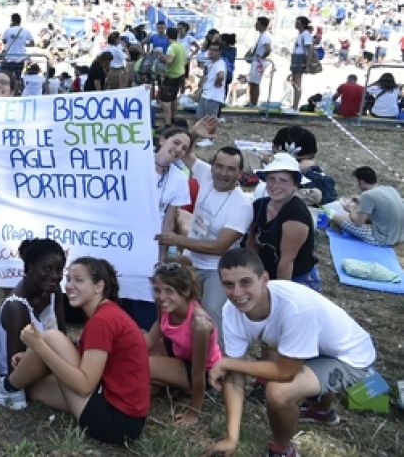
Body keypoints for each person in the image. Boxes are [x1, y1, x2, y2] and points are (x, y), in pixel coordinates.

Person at [203, 249, 376, 457]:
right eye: (228, 284)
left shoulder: (295, 307)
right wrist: (232, 438)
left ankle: (283, 449)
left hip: (350, 356)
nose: (237, 293)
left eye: (245, 282)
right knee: (288, 360)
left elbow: (284, 372)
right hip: (319, 347)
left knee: (279, 392)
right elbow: (234, 377)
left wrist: (229, 363)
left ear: (264, 279)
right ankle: (321, 411)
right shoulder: (231, 311)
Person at [0, 258, 150, 446]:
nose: (69, 286)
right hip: (126, 417)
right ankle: (14, 390)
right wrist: (33, 356)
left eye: (78, 280)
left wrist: (40, 347)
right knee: (32, 387)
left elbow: (84, 385)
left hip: (115, 422)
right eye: (68, 279)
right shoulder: (107, 312)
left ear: (98, 286)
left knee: (51, 337)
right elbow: (88, 358)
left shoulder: (102, 321)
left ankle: (6, 388)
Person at [156, 146, 253, 331]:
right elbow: (181, 150)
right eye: (219, 166)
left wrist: (177, 240)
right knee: (168, 297)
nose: (223, 173)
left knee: (211, 309)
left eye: (231, 169)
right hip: (191, 260)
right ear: (212, 165)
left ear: (240, 173)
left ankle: (219, 356)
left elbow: (219, 247)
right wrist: (194, 133)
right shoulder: (207, 174)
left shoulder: (242, 205)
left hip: (217, 268)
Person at [145, 256, 221, 428]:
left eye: (169, 291)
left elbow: (198, 371)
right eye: (157, 290)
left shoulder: (199, 324)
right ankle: (165, 384)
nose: (161, 297)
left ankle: (175, 386)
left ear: (186, 291)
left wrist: (194, 412)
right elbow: (149, 339)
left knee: (145, 365)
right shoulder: (164, 307)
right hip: (178, 353)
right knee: (136, 347)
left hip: (201, 372)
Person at [0, 239, 68, 379]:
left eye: (59, 270)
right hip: (19, 378)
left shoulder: (54, 290)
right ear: (31, 266)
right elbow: (15, 372)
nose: (55, 276)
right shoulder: (16, 308)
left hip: (47, 364)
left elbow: (63, 336)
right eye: (47, 268)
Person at [247, 154, 320, 290]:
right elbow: (251, 243)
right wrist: (255, 274)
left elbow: (287, 262)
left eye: (283, 180)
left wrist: (279, 294)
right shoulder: (259, 205)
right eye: (271, 179)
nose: (276, 186)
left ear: (294, 184)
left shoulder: (296, 216)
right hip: (265, 272)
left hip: (294, 278)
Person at [331, 166, 404, 246]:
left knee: (337, 217)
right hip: (399, 235)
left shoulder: (367, 195)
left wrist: (351, 210)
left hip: (383, 238)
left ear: (361, 182)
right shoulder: (390, 189)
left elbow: (358, 222)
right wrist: (361, 202)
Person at [153, 128, 194, 260]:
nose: (178, 149)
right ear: (162, 140)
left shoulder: (180, 178)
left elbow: (169, 220)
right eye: (176, 142)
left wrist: (161, 257)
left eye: (184, 148)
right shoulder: (138, 163)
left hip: (153, 235)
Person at [196, 41, 228, 119]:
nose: (211, 52)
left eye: (214, 50)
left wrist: (218, 82)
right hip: (205, 95)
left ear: (220, 52)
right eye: (210, 49)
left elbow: (221, 75)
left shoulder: (220, 63)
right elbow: (204, 73)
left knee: (209, 122)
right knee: (200, 119)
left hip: (213, 97)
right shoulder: (209, 62)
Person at [0, 13, 34, 86]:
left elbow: (4, 41)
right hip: (20, 58)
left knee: (7, 78)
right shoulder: (25, 31)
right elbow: (32, 43)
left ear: (12, 20)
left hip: (9, 57)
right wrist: (23, 44)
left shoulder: (8, 30)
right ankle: (17, 92)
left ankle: (9, 93)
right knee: (17, 78)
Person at [246, 16, 272, 107]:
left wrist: (261, 57)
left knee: (255, 83)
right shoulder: (261, 35)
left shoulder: (266, 36)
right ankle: (251, 101)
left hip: (259, 63)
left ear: (262, 25)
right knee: (251, 82)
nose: (255, 25)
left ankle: (254, 102)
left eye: (257, 24)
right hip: (256, 62)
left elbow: (268, 49)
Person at [288, 16, 313, 112]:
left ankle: (295, 106)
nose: (296, 24)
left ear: (302, 24)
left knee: (297, 83)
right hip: (296, 58)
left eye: (298, 23)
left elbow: (309, 49)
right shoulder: (300, 34)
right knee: (294, 83)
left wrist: (307, 65)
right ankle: (294, 105)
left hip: (300, 59)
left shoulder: (306, 34)